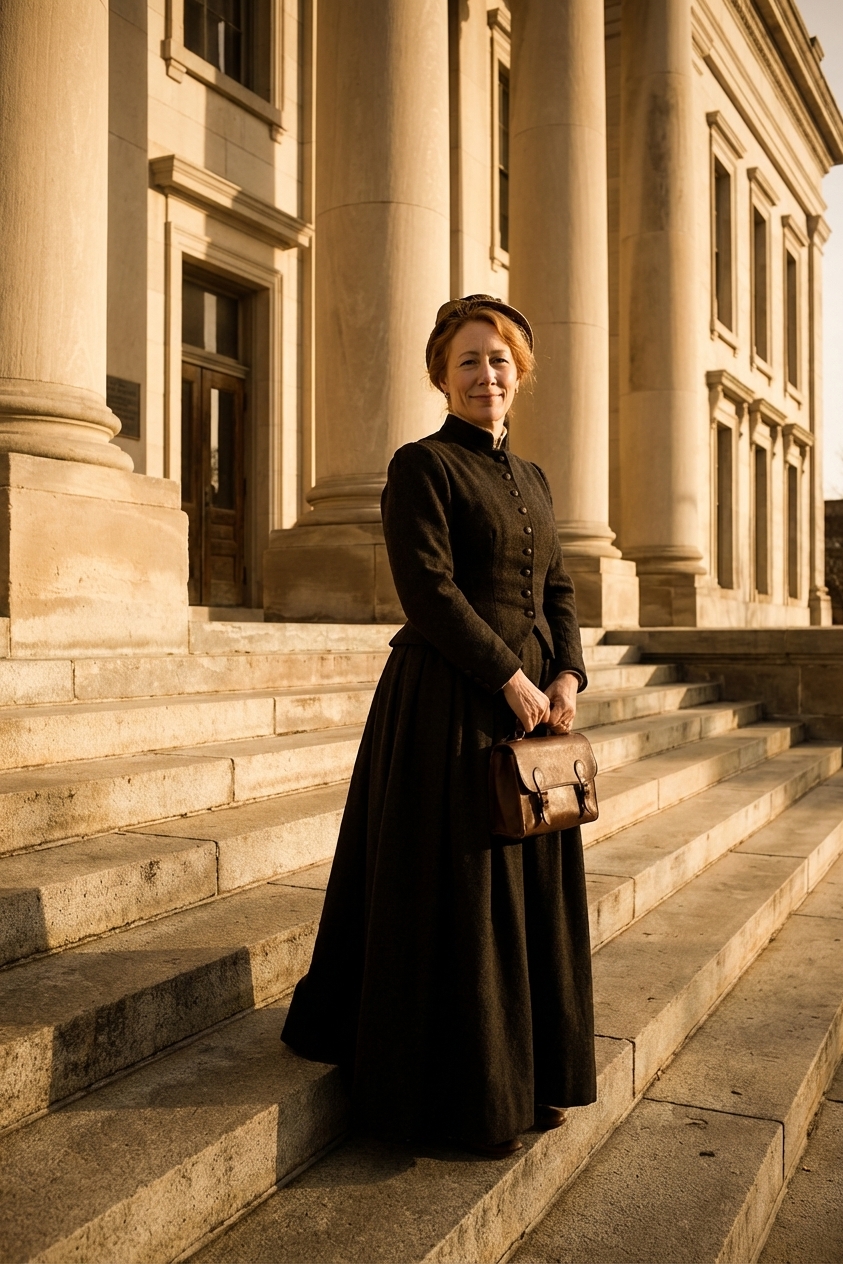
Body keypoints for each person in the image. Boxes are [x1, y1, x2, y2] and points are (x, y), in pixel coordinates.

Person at [282, 294, 597, 1158]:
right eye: (468, 361)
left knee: (520, 897)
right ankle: (459, 1090)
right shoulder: (420, 465)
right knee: (458, 893)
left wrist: (564, 672)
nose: (485, 374)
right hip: (446, 711)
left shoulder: (530, 478)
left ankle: (527, 1070)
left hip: (532, 711)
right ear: (441, 375)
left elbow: (558, 590)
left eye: (498, 360)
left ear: (518, 373)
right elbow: (426, 589)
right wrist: (507, 675)